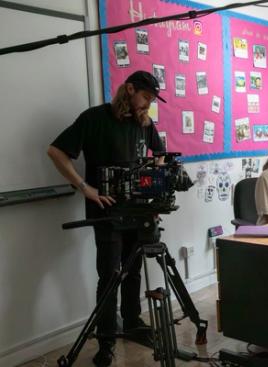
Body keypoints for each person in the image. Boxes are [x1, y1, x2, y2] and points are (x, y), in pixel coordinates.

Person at [47, 71, 166, 367]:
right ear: (129, 90)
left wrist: (151, 177)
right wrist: (85, 188)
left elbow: (161, 154)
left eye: (151, 101)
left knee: (134, 271)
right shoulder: (94, 118)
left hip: (137, 212)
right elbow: (56, 151)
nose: (147, 106)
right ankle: (106, 341)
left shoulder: (145, 123)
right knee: (110, 276)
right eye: (145, 98)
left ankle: (132, 323)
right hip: (107, 213)